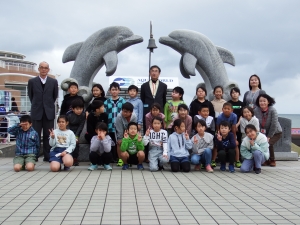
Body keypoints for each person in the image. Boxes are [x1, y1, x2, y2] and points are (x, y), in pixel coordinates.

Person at [28, 61, 58, 161]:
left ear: (48, 69)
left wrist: (47, 105)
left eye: (46, 68)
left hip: (48, 112)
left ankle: (47, 155)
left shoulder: (53, 82)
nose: (44, 69)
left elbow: (54, 96)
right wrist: (38, 105)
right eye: (42, 67)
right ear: (39, 69)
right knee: (35, 135)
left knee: (48, 135)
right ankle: (34, 155)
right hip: (37, 112)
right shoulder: (32, 81)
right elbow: (31, 96)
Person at [254, 94, 282, 167]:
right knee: (262, 143)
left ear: (268, 102)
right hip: (263, 132)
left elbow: (274, 124)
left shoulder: (272, 110)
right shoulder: (256, 110)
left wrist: (269, 136)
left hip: (276, 132)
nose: (262, 103)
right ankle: (265, 160)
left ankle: (272, 160)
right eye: (260, 101)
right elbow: (257, 123)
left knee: (269, 144)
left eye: (264, 101)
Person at [104, 82, 126, 162]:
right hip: (110, 125)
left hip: (120, 126)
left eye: (116, 90)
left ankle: (120, 158)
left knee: (120, 142)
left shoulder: (123, 101)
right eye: (113, 90)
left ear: (119, 91)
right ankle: (112, 158)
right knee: (111, 142)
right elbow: (104, 114)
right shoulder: (107, 102)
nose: (114, 91)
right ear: (110, 91)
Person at [140, 65, 167, 130]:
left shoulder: (163, 86)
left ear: (159, 73)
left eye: (156, 71)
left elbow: (164, 100)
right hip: (147, 112)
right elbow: (142, 99)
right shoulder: (144, 86)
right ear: (149, 73)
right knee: (147, 130)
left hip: (159, 112)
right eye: (152, 71)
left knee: (160, 130)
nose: (154, 73)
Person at [214, 102, 240, 168]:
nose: (226, 110)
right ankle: (213, 160)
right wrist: (218, 136)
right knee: (216, 145)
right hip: (221, 132)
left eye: (228, 109)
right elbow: (218, 128)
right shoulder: (220, 117)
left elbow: (234, 128)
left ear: (232, 110)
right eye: (225, 108)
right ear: (222, 109)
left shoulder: (234, 116)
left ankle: (237, 161)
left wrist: (234, 139)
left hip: (230, 132)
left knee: (235, 145)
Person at [66, 99, 86, 166]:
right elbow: (67, 124)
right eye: (77, 109)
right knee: (68, 143)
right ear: (73, 109)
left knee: (76, 143)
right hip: (68, 130)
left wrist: (76, 136)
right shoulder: (68, 114)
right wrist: (70, 134)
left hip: (77, 130)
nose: (79, 111)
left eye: (81, 109)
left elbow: (81, 126)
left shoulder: (83, 115)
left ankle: (75, 158)